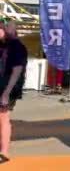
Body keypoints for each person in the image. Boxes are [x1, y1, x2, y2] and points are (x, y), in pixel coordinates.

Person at [0, 21, 27, 163]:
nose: (4, 29)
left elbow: (17, 71)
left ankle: (4, 152)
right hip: (2, 86)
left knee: (3, 118)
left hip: (8, 88)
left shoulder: (17, 47)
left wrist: (6, 92)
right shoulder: (5, 45)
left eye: (5, 27)